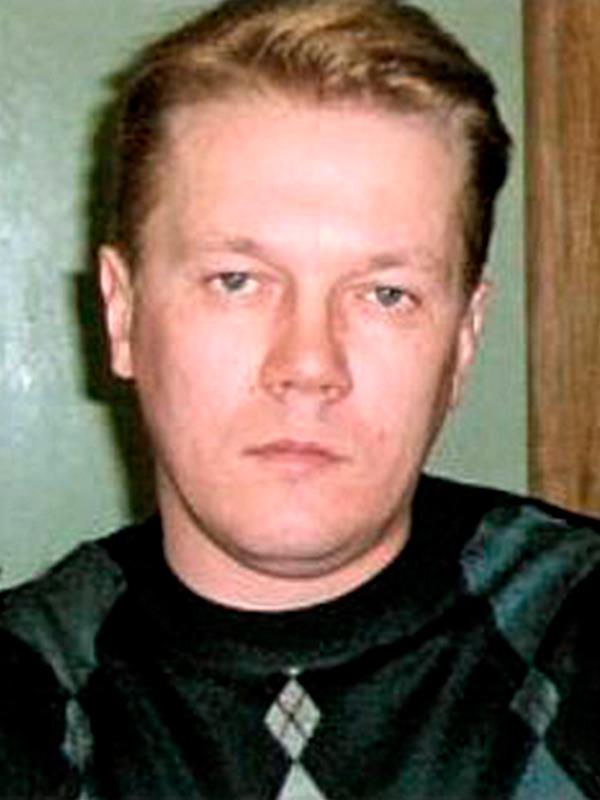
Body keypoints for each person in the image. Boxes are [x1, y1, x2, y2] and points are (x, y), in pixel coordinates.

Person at [1, 0, 599, 797]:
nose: (309, 365)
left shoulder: (580, 637)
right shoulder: (22, 697)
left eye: (385, 293)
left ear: (463, 339)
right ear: (122, 313)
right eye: (237, 281)